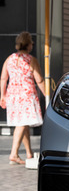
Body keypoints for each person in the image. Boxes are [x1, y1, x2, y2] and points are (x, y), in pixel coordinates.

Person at [0, 32, 45, 165]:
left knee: (23, 124)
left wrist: (2, 95)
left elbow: (3, 78)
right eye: (32, 43)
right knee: (21, 124)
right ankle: (13, 153)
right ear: (29, 45)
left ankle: (29, 153)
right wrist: (49, 95)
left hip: (13, 95)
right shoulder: (31, 60)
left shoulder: (10, 59)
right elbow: (40, 80)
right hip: (26, 95)